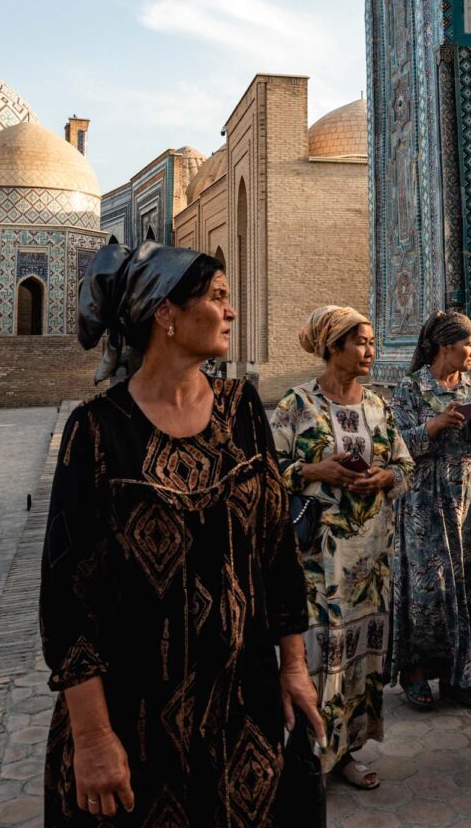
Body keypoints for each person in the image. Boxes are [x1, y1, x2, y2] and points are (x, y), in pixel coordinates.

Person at [40, 241, 323, 828]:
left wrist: (293, 667)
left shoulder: (243, 409)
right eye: (218, 297)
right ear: (165, 313)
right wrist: (92, 738)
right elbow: (67, 601)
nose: (231, 311)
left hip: (242, 708)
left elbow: (277, 552)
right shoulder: (95, 432)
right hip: (133, 717)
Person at [271, 306, 413, 790]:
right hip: (317, 557)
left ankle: (346, 750)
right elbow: (266, 467)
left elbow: (405, 467)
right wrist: (315, 471)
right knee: (316, 651)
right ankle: (310, 755)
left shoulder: (377, 405)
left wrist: (386, 475)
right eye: (361, 343)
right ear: (333, 347)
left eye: (372, 342)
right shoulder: (297, 404)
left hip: (369, 558)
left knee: (359, 655)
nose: (370, 351)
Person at [389, 310, 471, 710]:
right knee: (428, 588)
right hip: (426, 501)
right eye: (469, 345)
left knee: (467, 583)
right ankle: (415, 671)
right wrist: (434, 427)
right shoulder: (410, 388)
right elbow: (396, 444)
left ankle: (460, 675)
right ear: (444, 346)